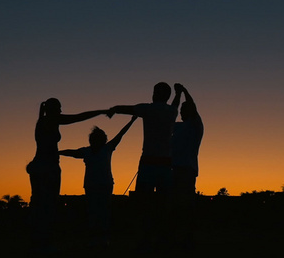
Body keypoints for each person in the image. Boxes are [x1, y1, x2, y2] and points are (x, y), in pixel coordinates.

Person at [26, 98, 110, 252]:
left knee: (40, 204)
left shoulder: (43, 121)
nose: (60, 111)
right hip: (47, 167)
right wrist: (101, 111)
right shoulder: (50, 119)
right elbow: (78, 117)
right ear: (53, 109)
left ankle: (38, 241)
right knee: (47, 205)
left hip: (41, 166)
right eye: (59, 108)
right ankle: (43, 242)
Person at [110, 82, 181, 249]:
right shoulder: (171, 111)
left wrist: (114, 108)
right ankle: (163, 238)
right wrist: (179, 93)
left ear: (156, 94)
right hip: (165, 163)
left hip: (148, 161)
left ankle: (144, 239)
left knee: (144, 203)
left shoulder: (147, 109)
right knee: (163, 204)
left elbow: (128, 109)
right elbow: (176, 104)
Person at [59, 116, 137, 248]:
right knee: (95, 212)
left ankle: (103, 238)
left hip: (104, 185)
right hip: (92, 185)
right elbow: (72, 152)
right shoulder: (87, 151)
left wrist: (132, 121)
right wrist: (58, 152)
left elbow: (121, 134)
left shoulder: (106, 148)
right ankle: (96, 238)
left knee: (102, 211)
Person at [171, 84, 204, 249]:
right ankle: (177, 237)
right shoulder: (177, 127)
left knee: (186, 205)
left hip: (186, 170)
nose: (181, 113)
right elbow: (170, 115)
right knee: (174, 206)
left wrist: (183, 92)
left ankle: (188, 237)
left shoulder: (196, 125)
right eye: (181, 111)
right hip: (173, 170)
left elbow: (193, 106)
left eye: (184, 111)